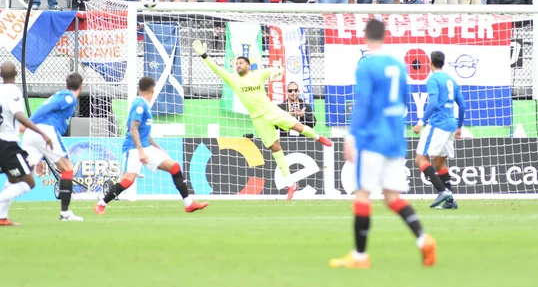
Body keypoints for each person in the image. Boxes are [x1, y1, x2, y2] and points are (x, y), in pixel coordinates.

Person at [329, 19, 437, 269]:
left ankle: (359, 256)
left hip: (373, 137)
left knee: (363, 194)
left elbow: (363, 102)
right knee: (391, 196)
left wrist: (351, 135)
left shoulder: (367, 66)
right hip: (395, 137)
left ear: (366, 37)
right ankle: (423, 239)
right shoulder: (398, 65)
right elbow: (404, 101)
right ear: (385, 36)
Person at [193, 41, 333, 200]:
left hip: (271, 110)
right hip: (258, 118)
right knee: (274, 147)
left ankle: (319, 137)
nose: (237, 65)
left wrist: (277, 71)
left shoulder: (257, 74)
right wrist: (204, 55)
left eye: (240, 63)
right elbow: (217, 69)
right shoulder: (234, 80)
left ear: (248, 65)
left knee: (297, 126)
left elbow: (275, 70)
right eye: (236, 64)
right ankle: (290, 184)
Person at [94, 77, 209, 214]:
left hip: (146, 147)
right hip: (133, 148)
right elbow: (133, 129)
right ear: (153, 89)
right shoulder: (140, 106)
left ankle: (188, 204)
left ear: (138, 89)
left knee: (175, 167)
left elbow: (144, 133)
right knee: (128, 180)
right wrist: (141, 151)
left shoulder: (145, 105)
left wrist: (157, 147)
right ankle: (101, 204)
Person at [21, 73, 85, 222]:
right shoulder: (68, 97)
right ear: (81, 87)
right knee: (68, 168)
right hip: (44, 131)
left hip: (34, 134)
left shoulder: (62, 95)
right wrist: (28, 122)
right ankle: (65, 213)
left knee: (23, 171)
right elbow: (44, 110)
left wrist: (41, 157)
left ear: (66, 83)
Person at [0, 62, 54, 226]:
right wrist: (41, 132)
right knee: (28, 182)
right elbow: (19, 114)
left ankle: (2, 218)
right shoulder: (14, 91)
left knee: (13, 179)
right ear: (16, 73)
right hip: (7, 144)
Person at [413, 51, 466, 209]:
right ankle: (450, 201)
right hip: (451, 124)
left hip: (438, 124)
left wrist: (421, 122)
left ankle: (443, 191)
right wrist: (459, 127)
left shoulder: (433, 79)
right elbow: (462, 105)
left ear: (430, 63)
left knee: (420, 159)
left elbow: (434, 102)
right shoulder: (451, 80)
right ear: (443, 63)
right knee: (439, 163)